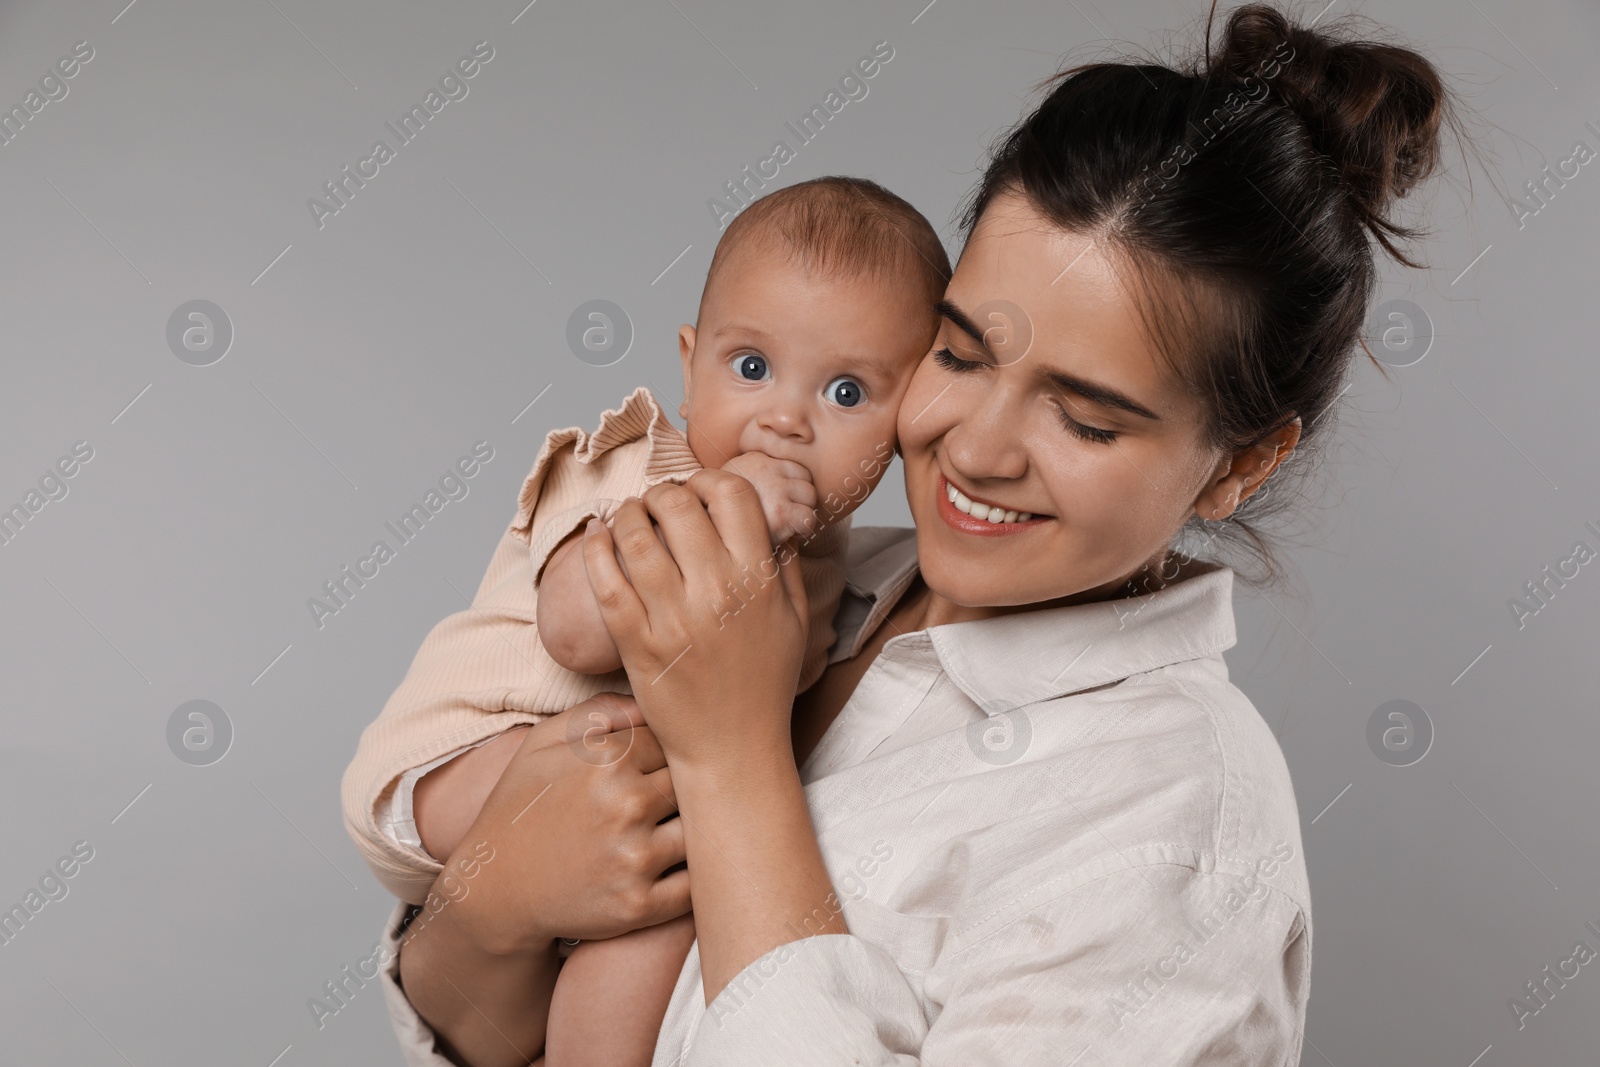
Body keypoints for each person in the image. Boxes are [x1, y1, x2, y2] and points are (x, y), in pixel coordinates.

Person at [365, 5, 1458, 1063]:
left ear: (1240, 459)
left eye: (1082, 417)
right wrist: (492, 908)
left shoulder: (1179, 833)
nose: (975, 449)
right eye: (961, 354)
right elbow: (485, 1030)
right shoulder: (829, 582)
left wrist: (731, 753)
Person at [341, 176, 950, 1064]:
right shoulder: (640, 468)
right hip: (454, 769)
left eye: (848, 394)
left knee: (677, 902)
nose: (783, 420)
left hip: (605, 819)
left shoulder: (830, 561)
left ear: (906, 426)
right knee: (663, 794)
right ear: (688, 362)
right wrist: (725, 500)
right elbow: (574, 631)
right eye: (751, 368)